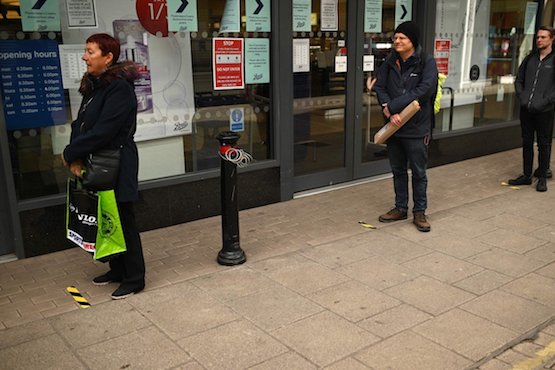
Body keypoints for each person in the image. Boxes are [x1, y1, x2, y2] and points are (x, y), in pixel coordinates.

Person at [61, 33, 145, 299]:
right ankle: (117, 269)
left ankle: (135, 278)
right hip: (98, 161)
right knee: (106, 218)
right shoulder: (94, 86)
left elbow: (105, 131)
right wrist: (74, 156)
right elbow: (81, 125)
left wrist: (71, 152)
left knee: (123, 218)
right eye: (85, 51)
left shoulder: (119, 88)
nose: (84, 57)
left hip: (117, 162)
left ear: (108, 58)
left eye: (90, 52)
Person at [374, 21, 438, 232]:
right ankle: (400, 207)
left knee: (419, 172)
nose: (397, 41)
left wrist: (393, 107)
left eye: (402, 38)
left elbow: (423, 91)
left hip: (417, 128)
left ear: (413, 41)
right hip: (394, 127)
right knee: (398, 170)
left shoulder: (426, 62)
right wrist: (386, 107)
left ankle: (419, 211)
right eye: (396, 37)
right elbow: (380, 87)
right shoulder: (390, 61)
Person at [508, 26, 555, 192]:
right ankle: (527, 175)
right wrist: (523, 98)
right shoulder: (530, 58)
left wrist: (544, 102)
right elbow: (519, 79)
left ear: (552, 39)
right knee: (526, 142)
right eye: (538, 37)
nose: (539, 40)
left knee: (543, 144)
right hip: (526, 109)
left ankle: (542, 177)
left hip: (544, 111)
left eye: (543, 37)